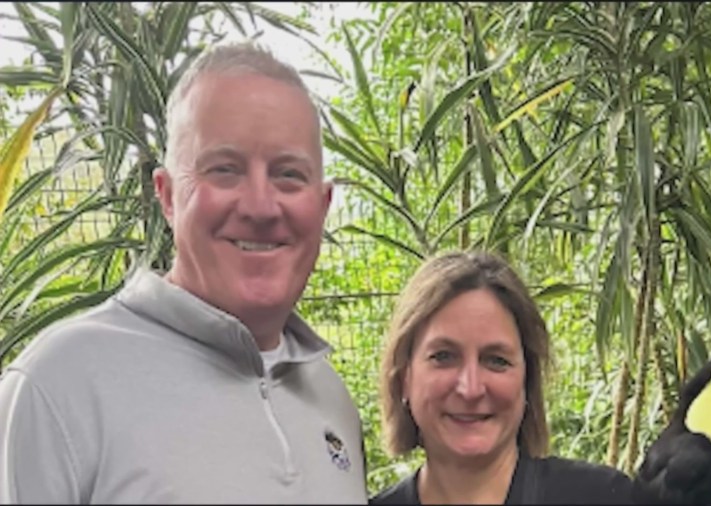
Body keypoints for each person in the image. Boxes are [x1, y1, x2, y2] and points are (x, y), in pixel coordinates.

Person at [0, 41, 368, 504]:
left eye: (288, 174)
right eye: (224, 170)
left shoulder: (329, 396)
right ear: (168, 195)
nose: (259, 206)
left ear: (322, 204)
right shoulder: (58, 385)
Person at [371, 250, 633, 504]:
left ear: (527, 380)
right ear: (404, 377)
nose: (470, 388)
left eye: (496, 360)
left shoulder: (602, 496)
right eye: (443, 357)